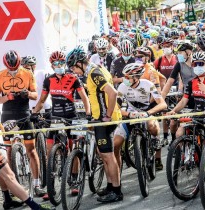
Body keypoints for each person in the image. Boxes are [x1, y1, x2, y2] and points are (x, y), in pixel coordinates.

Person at [66, 46, 122, 203]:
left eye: (73, 67)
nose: (73, 71)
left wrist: (107, 116)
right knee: (103, 154)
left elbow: (113, 93)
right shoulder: (96, 69)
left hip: (105, 120)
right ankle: (111, 186)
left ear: (79, 63)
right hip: (99, 118)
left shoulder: (94, 73)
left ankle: (116, 191)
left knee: (108, 156)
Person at [0, 50, 46, 197]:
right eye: (10, 69)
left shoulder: (27, 73)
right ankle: (12, 186)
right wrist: (7, 97)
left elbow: (35, 94)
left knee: (31, 150)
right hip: (8, 115)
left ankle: (36, 184)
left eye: (15, 68)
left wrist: (27, 94)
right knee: (8, 151)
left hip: (24, 114)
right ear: (6, 66)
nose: (13, 71)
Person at [32, 51, 91, 170]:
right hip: (56, 116)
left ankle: (75, 179)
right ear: (52, 65)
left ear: (65, 64)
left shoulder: (73, 78)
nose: (59, 66)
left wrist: (88, 114)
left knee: (74, 148)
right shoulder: (48, 80)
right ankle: (52, 174)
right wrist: (34, 113)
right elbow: (42, 100)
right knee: (49, 149)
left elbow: (84, 98)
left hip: (72, 115)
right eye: (56, 63)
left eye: (61, 63)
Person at [117, 63, 167, 171]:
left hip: (146, 113)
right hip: (130, 114)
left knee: (152, 125)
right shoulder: (122, 86)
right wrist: (128, 114)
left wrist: (149, 113)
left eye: (127, 77)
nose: (124, 79)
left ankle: (156, 145)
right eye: (124, 76)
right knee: (116, 143)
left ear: (136, 77)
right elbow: (116, 108)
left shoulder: (148, 84)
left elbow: (163, 104)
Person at [167, 51, 205, 137]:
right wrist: (173, 111)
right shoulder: (192, 82)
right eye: (195, 64)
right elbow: (183, 101)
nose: (198, 66)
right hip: (197, 114)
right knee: (179, 133)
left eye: (201, 64)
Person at [161, 41, 196, 142]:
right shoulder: (179, 64)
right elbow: (169, 83)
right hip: (185, 98)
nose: (178, 55)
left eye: (180, 52)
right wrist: (161, 99)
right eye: (177, 53)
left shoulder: (198, 63)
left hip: (199, 98)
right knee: (173, 122)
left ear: (188, 52)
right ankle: (174, 143)